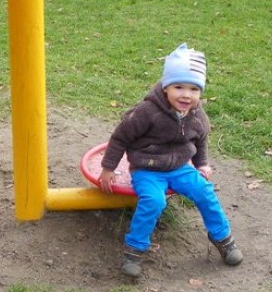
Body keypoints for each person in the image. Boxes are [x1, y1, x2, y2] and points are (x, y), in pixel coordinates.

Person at [99, 43, 243, 278]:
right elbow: (119, 138)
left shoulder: (196, 114)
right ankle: (134, 250)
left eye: (194, 89)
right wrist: (108, 168)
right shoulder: (147, 111)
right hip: (147, 169)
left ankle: (221, 237)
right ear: (166, 87)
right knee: (154, 201)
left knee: (204, 191)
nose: (186, 95)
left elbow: (201, 138)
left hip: (179, 168)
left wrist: (202, 163)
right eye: (178, 87)